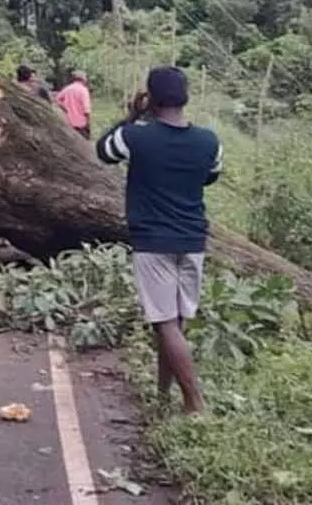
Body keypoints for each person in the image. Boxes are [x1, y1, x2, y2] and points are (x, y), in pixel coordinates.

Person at [95, 67, 221, 414]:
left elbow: (104, 151)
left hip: (153, 241)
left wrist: (132, 116)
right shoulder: (209, 141)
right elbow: (210, 177)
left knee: (164, 322)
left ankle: (194, 402)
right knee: (173, 322)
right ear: (185, 97)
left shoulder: (136, 136)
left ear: (151, 98)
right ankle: (163, 394)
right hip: (193, 240)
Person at [55, 70, 93, 139]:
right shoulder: (83, 90)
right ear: (83, 79)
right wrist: (88, 123)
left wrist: (64, 107)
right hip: (81, 124)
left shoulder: (67, 89)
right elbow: (86, 110)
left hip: (69, 122)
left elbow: (57, 99)